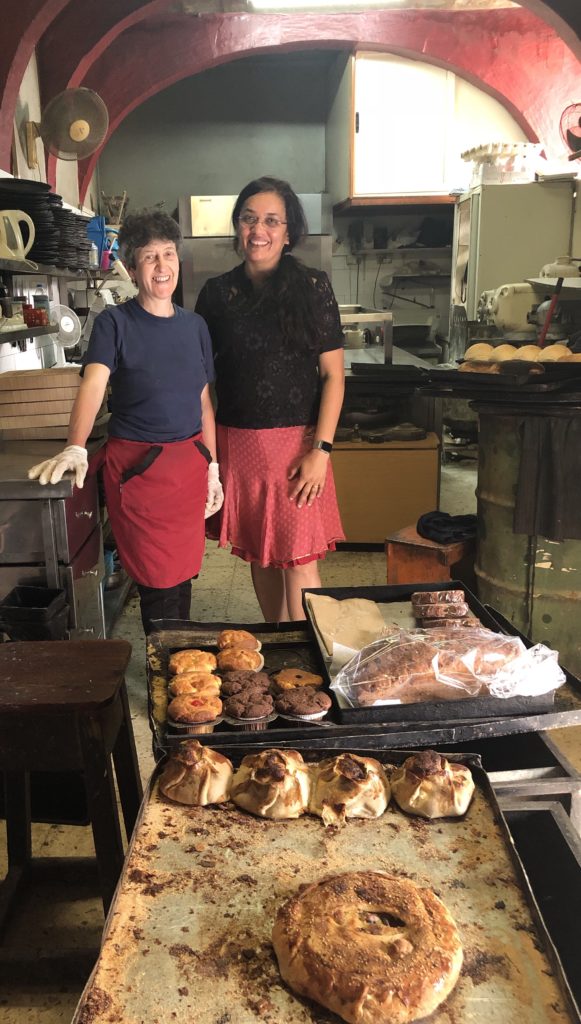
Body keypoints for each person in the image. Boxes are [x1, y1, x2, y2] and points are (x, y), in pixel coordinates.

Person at [28, 209, 223, 634]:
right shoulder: (115, 323)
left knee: (183, 573)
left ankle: (177, 658)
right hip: (140, 471)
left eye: (168, 254)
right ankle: (167, 662)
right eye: (149, 257)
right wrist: (76, 444)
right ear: (133, 269)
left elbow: (204, 401)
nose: (161, 266)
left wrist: (213, 467)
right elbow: (94, 385)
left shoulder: (196, 327)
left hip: (188, 468)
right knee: (156, 581)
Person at [195, 176, 345, 622]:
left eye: (271, 221)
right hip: (237, 443)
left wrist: (321, 450)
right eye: (248, 219)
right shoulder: (216, 294)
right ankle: (280, 647)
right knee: (261, 557)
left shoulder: (313, 288)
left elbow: (334, 376)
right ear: (237, 227)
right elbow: (202, 380)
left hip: (299, 447)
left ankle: (309, 663)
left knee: (300, 562)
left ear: (288, 232)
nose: (258, 230)